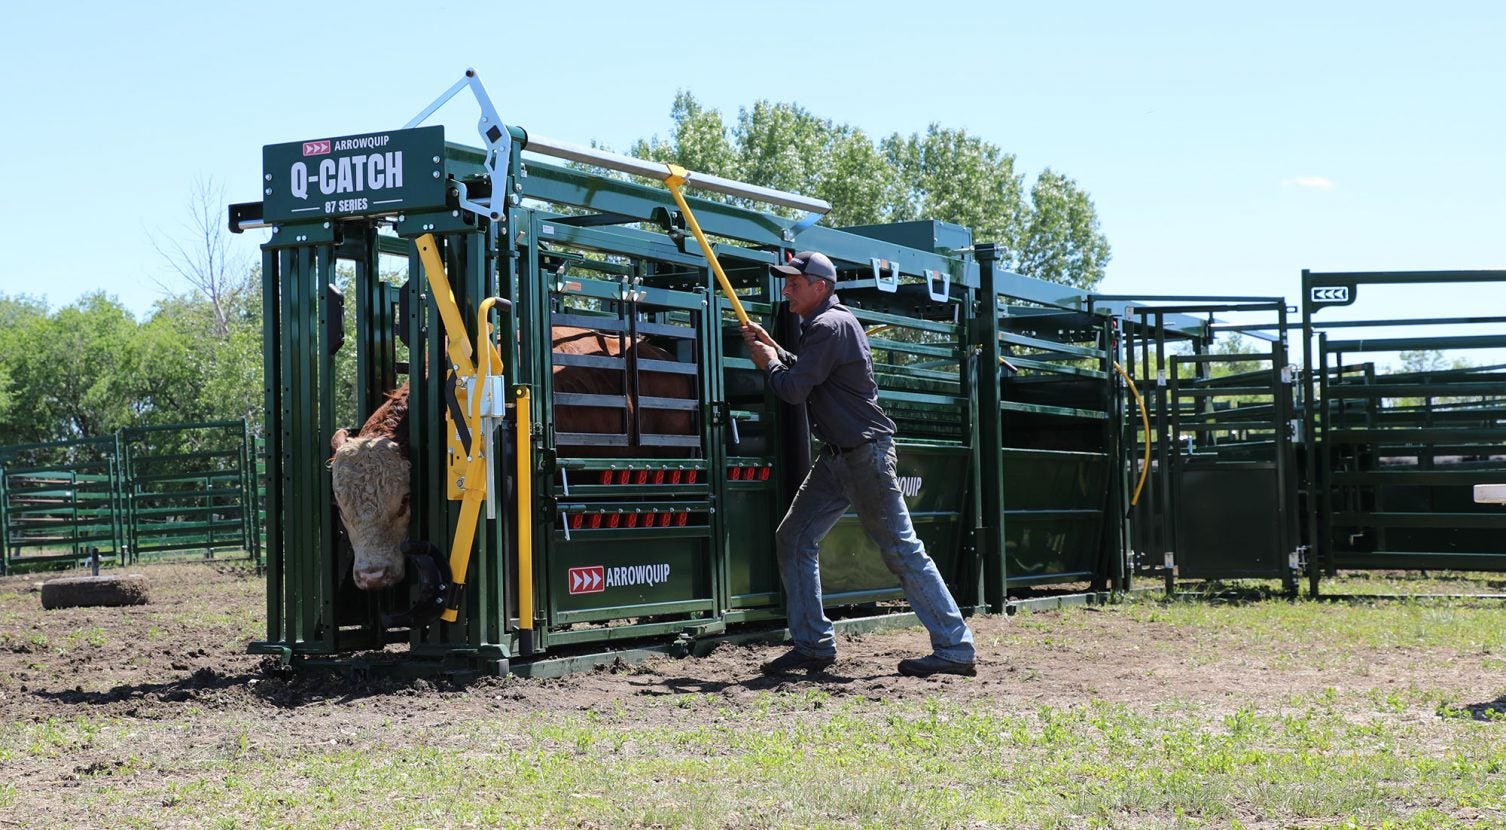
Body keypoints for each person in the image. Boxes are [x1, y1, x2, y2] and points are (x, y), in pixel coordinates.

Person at [742, 250, 976, 678]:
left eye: (795, 282)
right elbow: (810, 375)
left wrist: (768, 362)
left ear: (821, 287)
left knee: (903, 551)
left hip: (862, 456)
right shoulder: (828, 324)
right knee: (794, 538)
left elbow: (793, 390)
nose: (786, 288)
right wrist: (775, 348)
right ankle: (813, 645)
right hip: (839, 457)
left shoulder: (829, 325)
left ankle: (955, 648)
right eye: (786, 281)